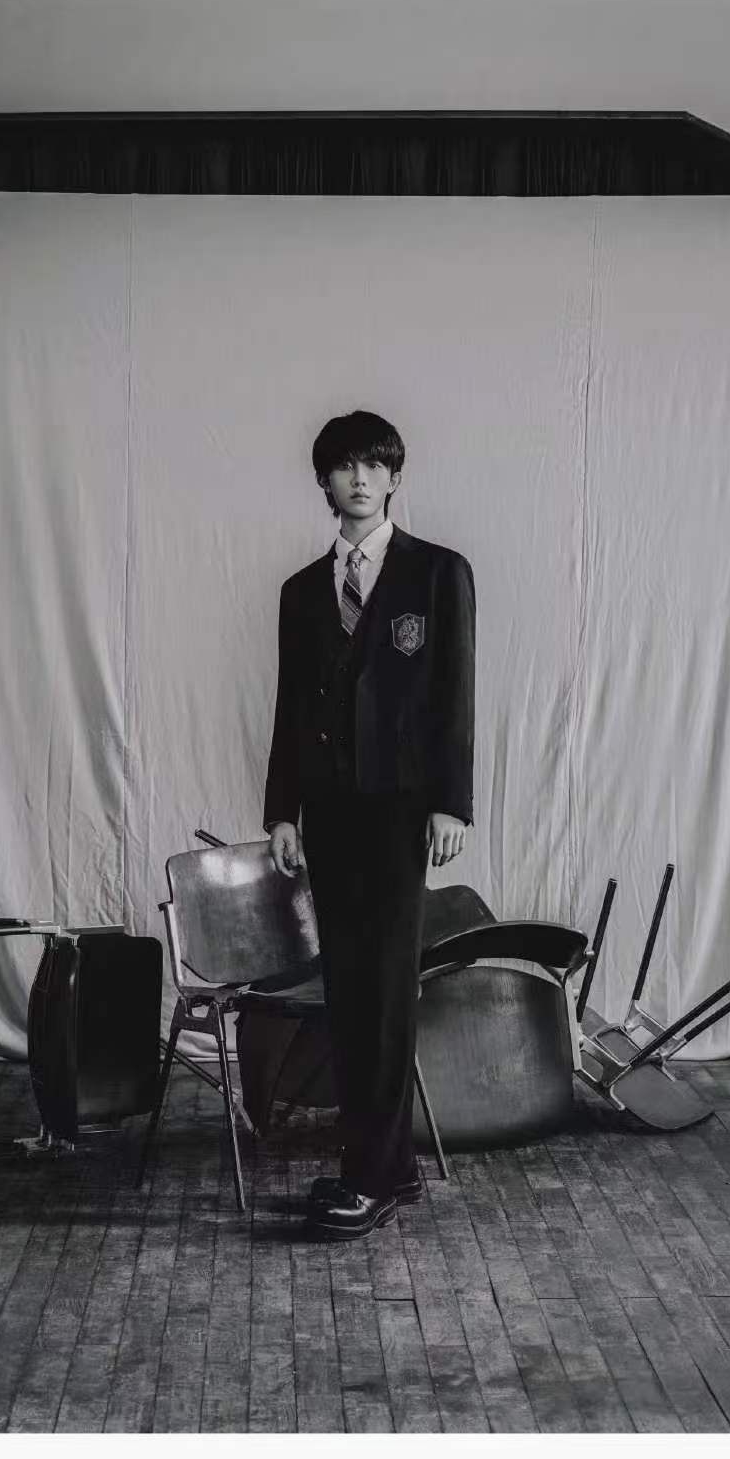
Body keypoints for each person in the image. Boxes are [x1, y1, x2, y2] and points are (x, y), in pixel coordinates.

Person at [263, 409, 476, 1239]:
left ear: (394, 479)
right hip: (328, 816)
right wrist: (282, 811)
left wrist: (451, 801)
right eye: (344, 466)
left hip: (400, 815)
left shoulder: (438, 573)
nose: (359, 479)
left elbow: (454, 695)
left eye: (374, 466)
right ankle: (386, 1166)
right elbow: (288, 708)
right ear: (323, 481)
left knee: (385, 992)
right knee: (350, 992)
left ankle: (374, 1177)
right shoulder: (300, 592)